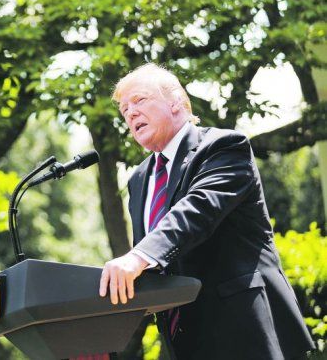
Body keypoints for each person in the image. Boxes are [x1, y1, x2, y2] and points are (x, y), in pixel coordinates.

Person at [98, 63, 314, 359]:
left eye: (140, 100)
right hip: (185, 340)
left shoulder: (223, 147)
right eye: (124, 110)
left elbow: (197, 210)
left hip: (244, 329)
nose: (130, 113)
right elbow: (157, 264)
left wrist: (137, 257)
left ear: (176, 101)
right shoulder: (139, 178)